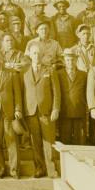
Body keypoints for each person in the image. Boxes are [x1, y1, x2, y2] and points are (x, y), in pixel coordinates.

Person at [22, 45, 60, 177]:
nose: (36, 56)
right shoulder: (25, 73)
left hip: (46, 111)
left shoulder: (49, 70)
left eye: (38, 53)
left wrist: (55, 108)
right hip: (31, 111)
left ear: (42, 55)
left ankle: (51, 169)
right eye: (34, 53)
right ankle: (39, 168)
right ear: (30, 55)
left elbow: (56, 91)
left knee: (49, 141)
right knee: (35, 141)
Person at [0, 49, 25, 178]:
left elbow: (17, 94)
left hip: (9, 112)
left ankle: (14, 169)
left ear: (3, 61)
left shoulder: (11, 74)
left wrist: (18, 109)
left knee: (11, 141)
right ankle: (0, 168)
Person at [56, 48, 88, 146]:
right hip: (64, 111)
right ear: (64, 61)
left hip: (79, 110)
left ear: (76, 60)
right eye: (68, 60)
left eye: (72, 59)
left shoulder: (84, 74)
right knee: (65, 139)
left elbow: (86, 92)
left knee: (80, 140)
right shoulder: (58, 74)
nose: (70, 62)